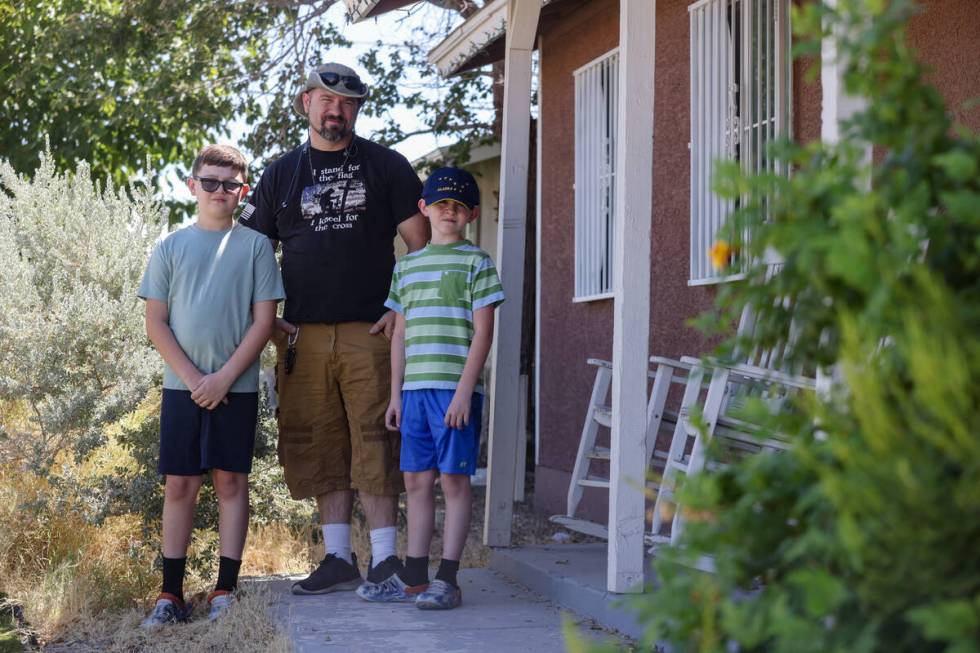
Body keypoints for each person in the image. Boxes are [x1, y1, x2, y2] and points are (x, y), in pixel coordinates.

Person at [238, 62, 429, 595]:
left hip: (372, 331)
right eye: (325, 100)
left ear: (358, 109)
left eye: (346, 103)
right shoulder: (281, 173)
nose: (335, 110)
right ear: (306, 103)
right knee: (320, 441)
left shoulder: (387, 165)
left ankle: (387, 559)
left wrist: (402, 308)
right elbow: (250, 252)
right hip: (302, 336)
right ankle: (339, 557)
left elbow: (423, 246)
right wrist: (266, 319)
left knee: (375, 438)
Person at [138, 144, 285, 626]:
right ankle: (170, 594)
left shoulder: (256, 246)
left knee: (230, 481)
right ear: (192, 187)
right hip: (182, 387)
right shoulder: (169, 247)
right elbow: (156, 322)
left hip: (235, 388)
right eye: (210, 182)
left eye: (230, 184)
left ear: (242, 190)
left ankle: (225, 588)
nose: (220, 191)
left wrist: (223, 378)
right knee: (179, 483)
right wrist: (195, 378)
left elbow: (264, 322)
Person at [357, 167, 504, 609]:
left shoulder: (477, 263)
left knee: (454, 483)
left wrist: (464, 392)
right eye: (441, 204)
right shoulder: (408, 267)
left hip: (453, 393)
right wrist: (395, 394)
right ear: (424, 209)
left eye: (459, 207)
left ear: (472, 215)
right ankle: (414, 577)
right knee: (416, 482)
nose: (450, 212)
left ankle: (449, 578)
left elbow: (483, 334)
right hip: (415, 394)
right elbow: (398, 334)